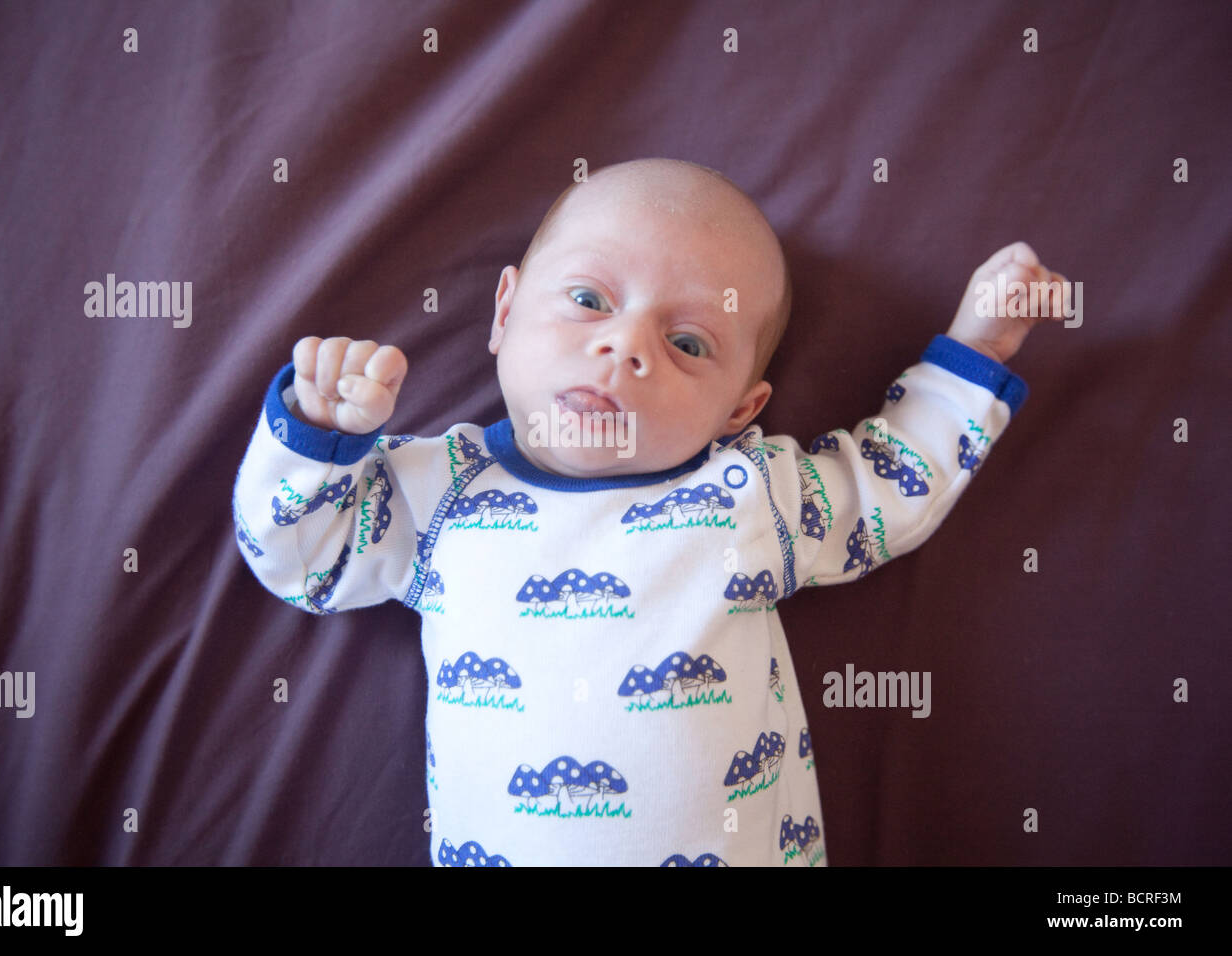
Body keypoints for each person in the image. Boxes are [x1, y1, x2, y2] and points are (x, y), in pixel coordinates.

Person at [232, 158, 1068, 865]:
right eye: (590, 300)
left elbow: (887, 483)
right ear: (504, 311)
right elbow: (304, 561)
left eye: (690, 343)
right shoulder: (441, 491)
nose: (627, 345)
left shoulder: (749, 497)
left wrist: (976, 352)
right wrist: (317, 440)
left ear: (741, 411)